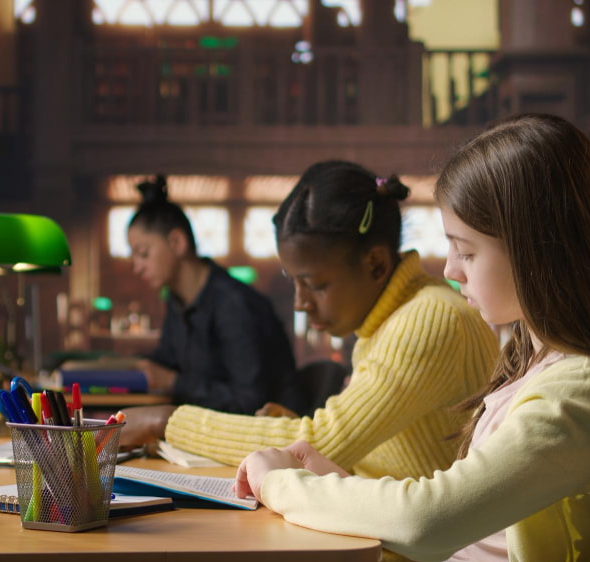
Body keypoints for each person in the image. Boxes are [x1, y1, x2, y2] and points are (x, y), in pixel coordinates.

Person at [234, 114, 590, 561]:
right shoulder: (539, 366)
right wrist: (326, 477)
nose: (451, 270)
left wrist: (281, 484)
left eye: (466, 252)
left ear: (537, 251)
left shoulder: (579, 394)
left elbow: (429, 521)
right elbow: (462, 524)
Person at [119, 161, 499, 487]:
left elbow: (325, 440)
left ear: (376, 265)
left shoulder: (428, 318)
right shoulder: (387, 321)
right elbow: (370, 455)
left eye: (315, 285)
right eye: (294, 282)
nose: (300, 303)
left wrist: (166, 421)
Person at [126, 174, 304, 415]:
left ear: (177, 242)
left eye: (143, 253)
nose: (136, 267)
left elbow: (251, 401)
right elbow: (166, 361)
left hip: (268, 440)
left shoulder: (234, 304)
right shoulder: (178, 300)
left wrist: (174, 382)